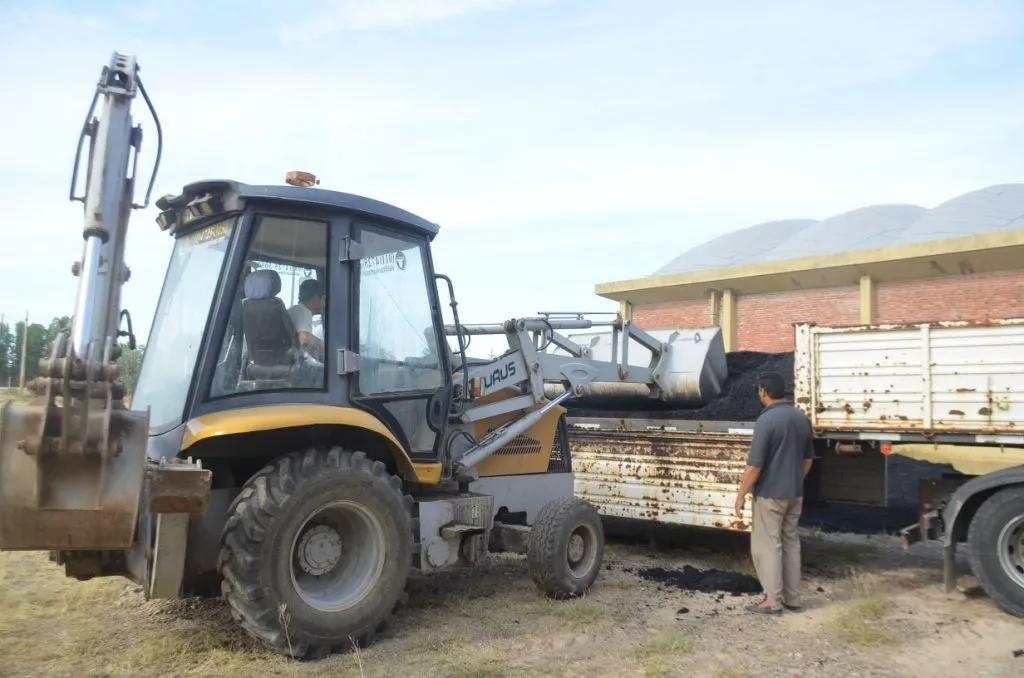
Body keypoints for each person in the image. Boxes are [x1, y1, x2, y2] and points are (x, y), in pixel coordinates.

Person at [733, 371, 815, 615]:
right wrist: (794, 480)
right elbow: (808, 459)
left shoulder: (766, 421)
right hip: (795, 493)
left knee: (768, 546)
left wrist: (740, 494)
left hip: (770, 494)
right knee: (790, 543)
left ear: (763, 392)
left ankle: (772, 600)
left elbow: (754, 466)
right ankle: (793, 599)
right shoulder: (801, 418)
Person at [287, 278, 325, 361]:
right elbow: (306, 341)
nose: (324, 304)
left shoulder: (296, 310)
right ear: (314, 297)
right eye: (323, 298)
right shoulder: (304, 312)